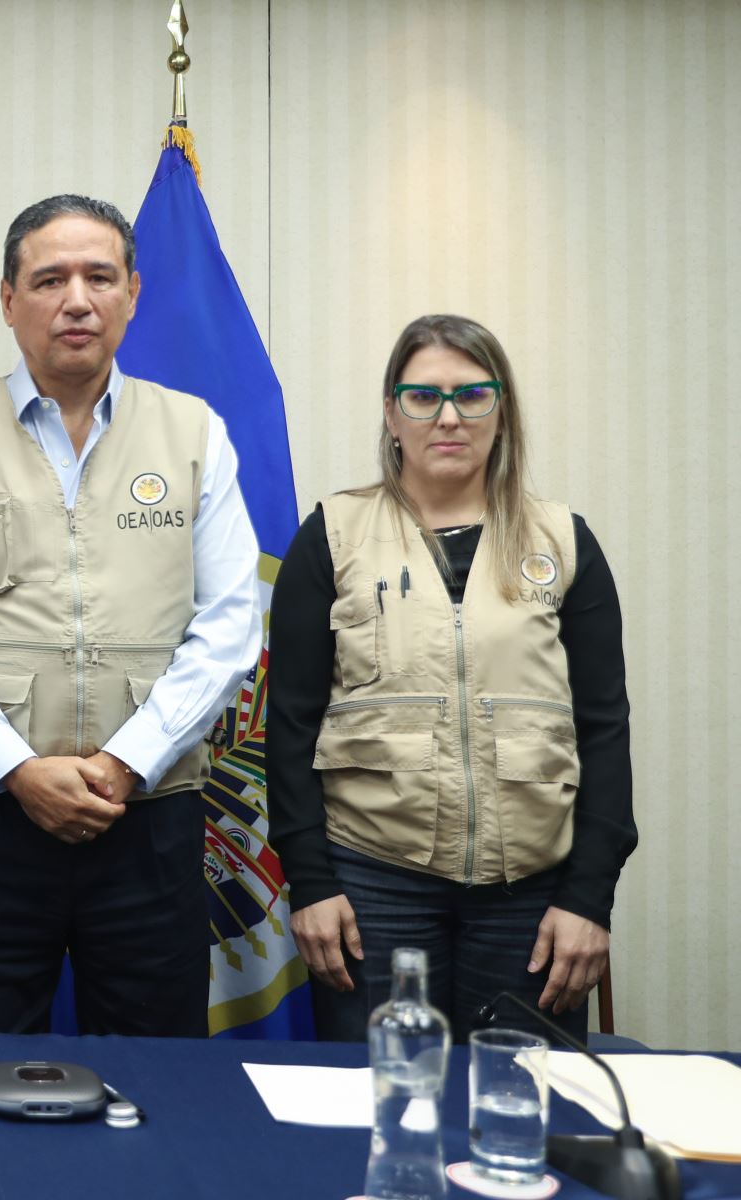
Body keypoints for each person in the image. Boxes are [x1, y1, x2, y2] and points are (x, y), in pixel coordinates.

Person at [0, 194, 262, 1035]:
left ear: (132, 293)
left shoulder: (194, 433)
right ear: (9, 301)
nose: (76, 299)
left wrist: (127, 763)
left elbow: (230, 625)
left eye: (99, 276)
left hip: (150, 815)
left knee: (157, 1075)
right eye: (49, 279)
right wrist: (17, 768)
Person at [266, 313, 636, 1041]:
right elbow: (288, 729)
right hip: (372, 886)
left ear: (503, 412)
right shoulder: (332, 538)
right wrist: (310, 885)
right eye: (423, 396)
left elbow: (605, 729)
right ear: (390, 413)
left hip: (530, 896)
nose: (448, 417)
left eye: (472, 395)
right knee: (374, 1110)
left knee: (525, 1113)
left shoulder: (562, 542)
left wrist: (590, 899)